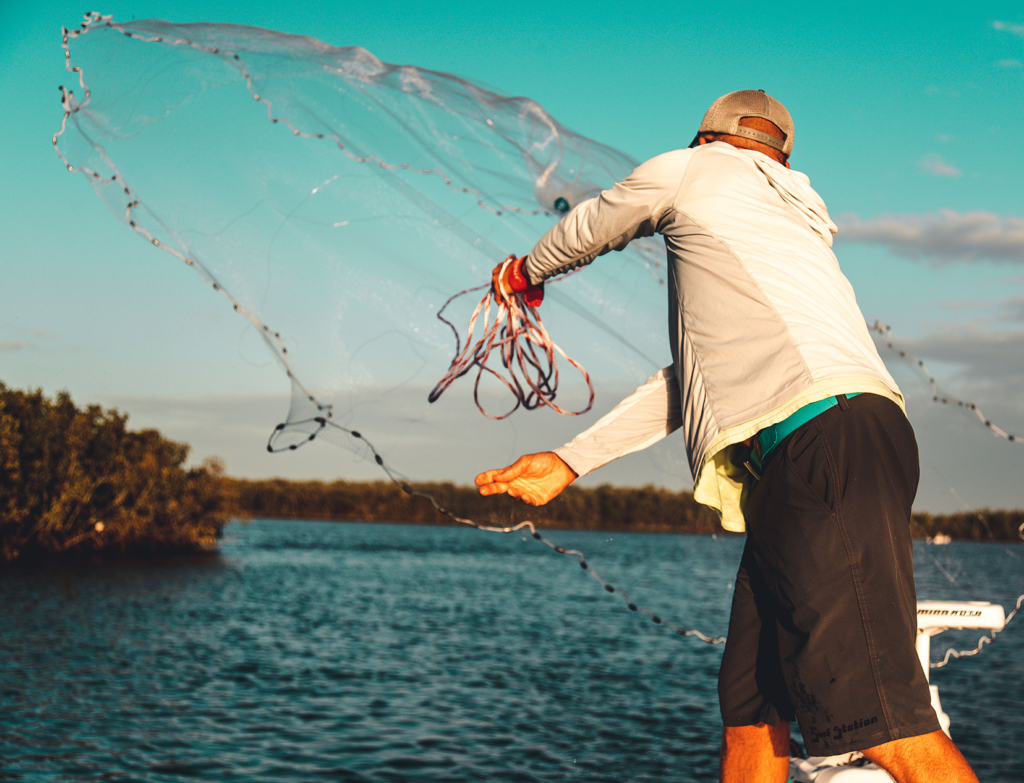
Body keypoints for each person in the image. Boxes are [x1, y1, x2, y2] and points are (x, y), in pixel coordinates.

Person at [475, 90, 979, 783]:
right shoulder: (793, 224)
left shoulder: (695, 170)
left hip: (820, 447)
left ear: (705, 139)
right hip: (834, 444)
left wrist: (525, 275)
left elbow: (592, 221)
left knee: (892, 726)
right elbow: (696, 382)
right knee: (750, 712)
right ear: (782, 157)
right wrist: (569, 458)